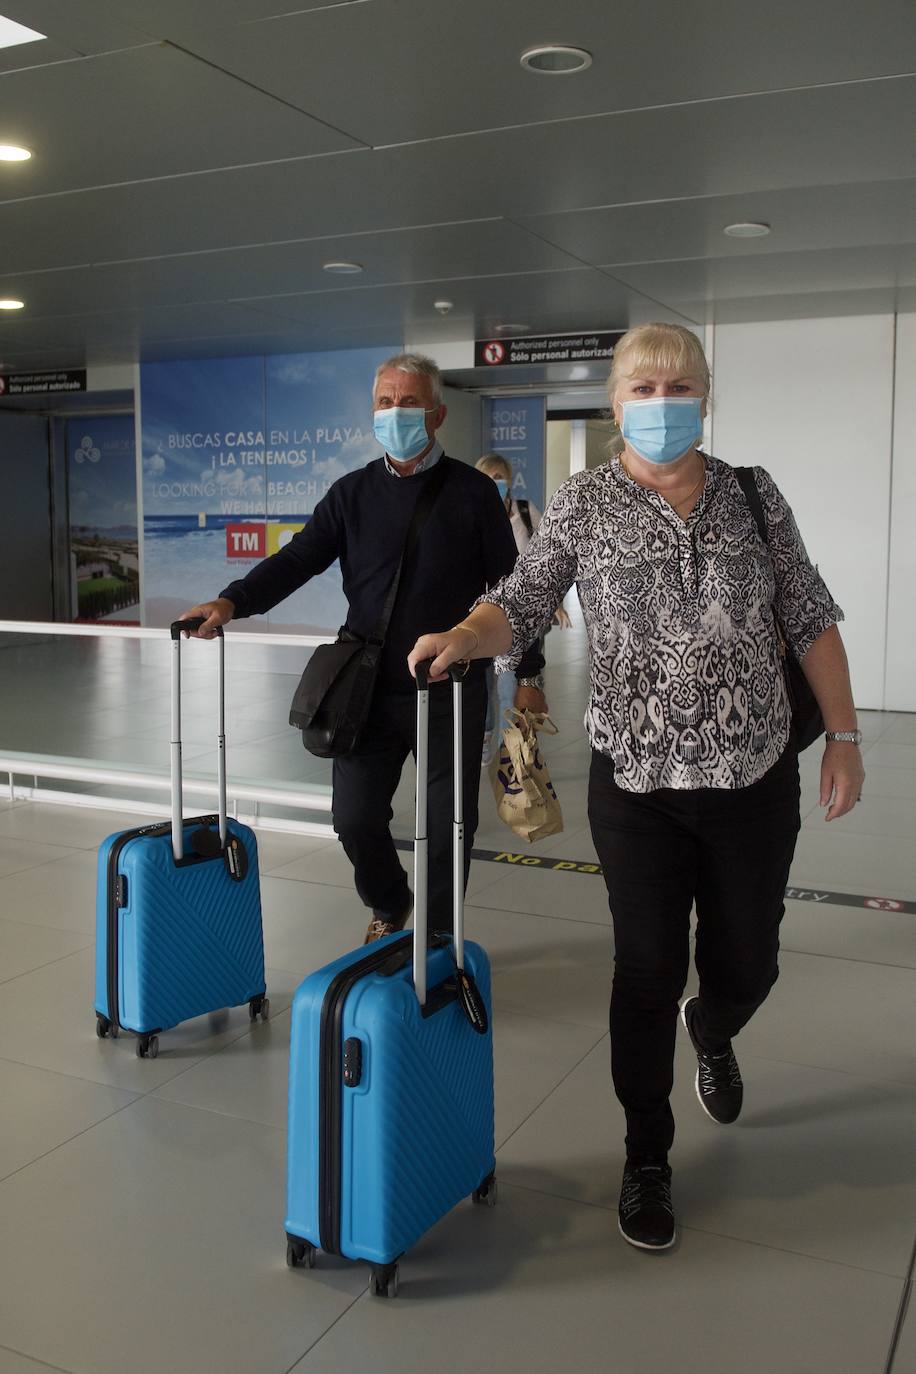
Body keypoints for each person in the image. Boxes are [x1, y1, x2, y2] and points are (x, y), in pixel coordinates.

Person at [408, 323, 864, 1251]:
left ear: (705, 397)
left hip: (753, 776)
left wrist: (845, 737)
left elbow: (810, 616)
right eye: (644, 388)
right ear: (617, 403)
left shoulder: (752, 494)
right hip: (640, 785)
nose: (663, 403)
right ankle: (645, 1155)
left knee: (750, 963)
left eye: (680, 385)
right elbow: (523, 598)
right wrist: (466, 634)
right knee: (646, 968)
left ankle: (717, 1024)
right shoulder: (583, 504)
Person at [179, 352, 545, 944]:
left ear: (437, 412)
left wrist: (528, 672)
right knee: (353, 819)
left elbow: (515, 593)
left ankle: (435, 940)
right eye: (384, 402)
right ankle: (390, 899)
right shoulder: (350, 495)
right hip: (367, 686)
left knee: (449, 823)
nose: (395, 412)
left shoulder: (473, 493)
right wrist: (230, 602)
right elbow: (297, 560)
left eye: (408, 402)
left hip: (450, 685)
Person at [474, 453, 570, 756]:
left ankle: (511, 752)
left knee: (509, 685)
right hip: (481, 614)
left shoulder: (526, 512)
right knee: (483, 684)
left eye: (500, 477)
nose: (496, 483)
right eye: (489, 477)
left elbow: (548, 561)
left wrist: (555, 603)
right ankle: (487, 737)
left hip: (524, 612)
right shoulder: (471, 513)